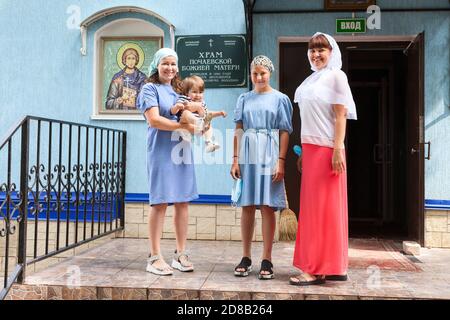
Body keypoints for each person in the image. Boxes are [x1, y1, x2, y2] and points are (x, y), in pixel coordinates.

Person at [289, 32, 357, 286]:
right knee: (315, 210)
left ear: (332, 52)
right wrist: (305, 152)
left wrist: (338, 149)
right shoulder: (310, 80)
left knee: (322, 211)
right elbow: (308, 119)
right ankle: (327, 266)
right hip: (311, 150)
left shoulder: (336, 77)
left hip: (329, 150)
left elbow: (341, 115)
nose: (316, 55)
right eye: (312, 50)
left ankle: (315, 269)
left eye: (321, 50)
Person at [136, 48, 199, 276]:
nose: (170, 68)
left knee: (182, 201)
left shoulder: (179, 90)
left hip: (181, 150)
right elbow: (154, 120)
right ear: (156, 65)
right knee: (160, 202)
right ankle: (154, 257)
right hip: (161, 150)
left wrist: (200, 121)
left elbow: (192, 114)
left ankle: (180, 255)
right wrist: (184, 126)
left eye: (173, 64)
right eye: (165, 63)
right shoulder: (148, 89)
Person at [230, 55, 293, 280]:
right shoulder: (244, 98)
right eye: (255, 73)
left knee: (267, 206)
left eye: (262, 73)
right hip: (248, 153)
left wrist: (281, 160)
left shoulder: (280, 99)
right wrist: (235, 159)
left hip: (270, 152)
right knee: (247, 205)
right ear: (251, 74)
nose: (258, 77)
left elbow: (285, 130)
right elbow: (238, 128)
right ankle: (246, 256)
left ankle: (267, 258)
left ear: (270, 74)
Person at [171, 75, 227, 153]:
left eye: (200, 92)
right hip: (184, 129)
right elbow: (173, 112)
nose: (198, 95)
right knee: (186, 113)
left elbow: (208, 114)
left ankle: (208, 143)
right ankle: (199, 122)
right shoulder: (185, 99)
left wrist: (219, 113)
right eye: (194, 92)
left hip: (197, 130)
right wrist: (177, 107)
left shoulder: (202, 103)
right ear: (187, 92)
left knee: (209, 123)